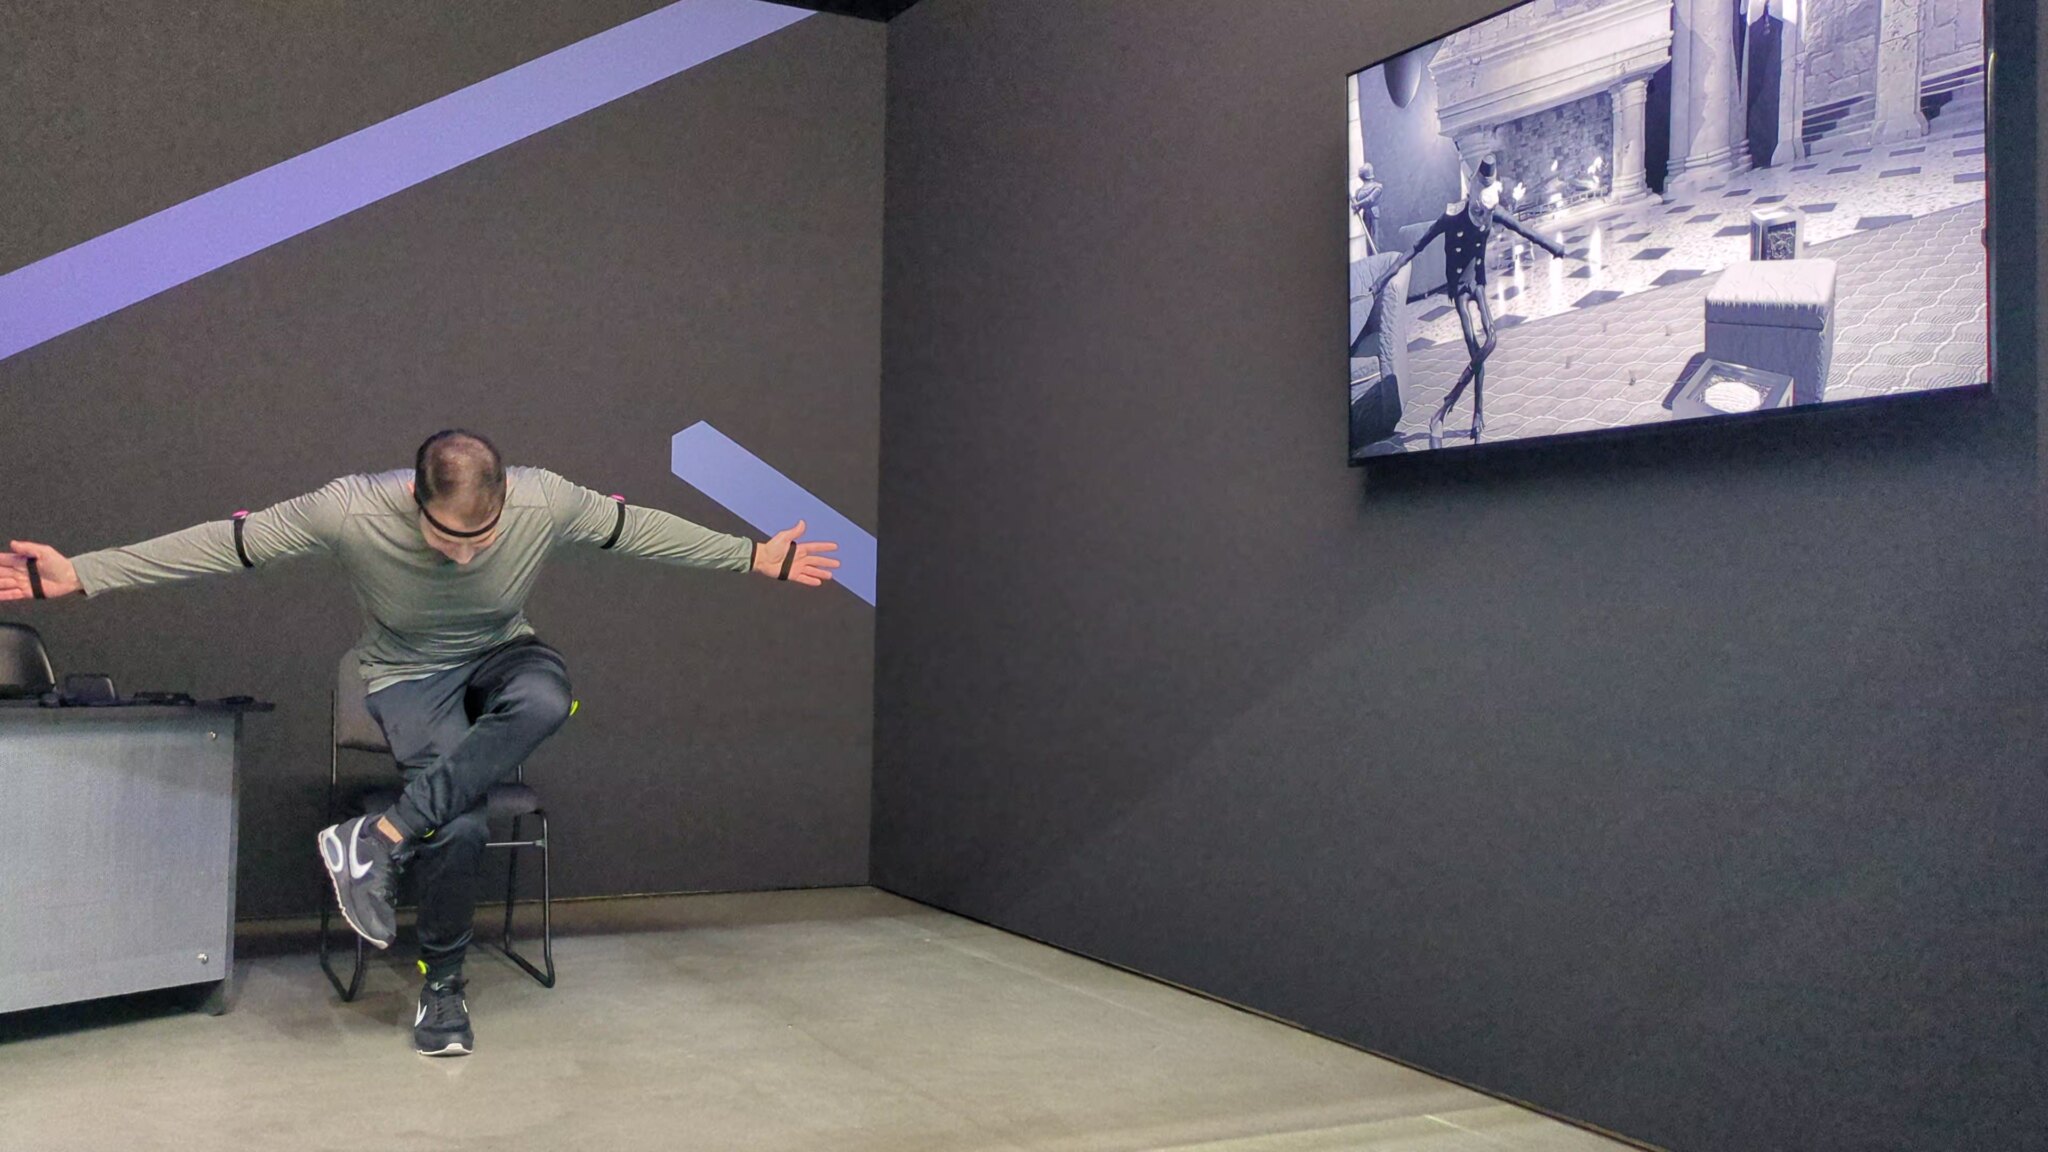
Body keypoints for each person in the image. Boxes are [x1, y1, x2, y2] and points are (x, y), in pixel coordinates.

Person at [0, 430, 839, 1056]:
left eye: (483, 538)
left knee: (549, 697)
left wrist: (752, 557)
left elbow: (640, 528)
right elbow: (228, 544)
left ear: (506, 501)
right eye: (447, 537)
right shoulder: (348, 509)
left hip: (502, 655)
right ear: (414, 499)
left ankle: (380, 835)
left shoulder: (547, 499)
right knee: (460, 823)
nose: (465, 555)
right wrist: (88, 571)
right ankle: (444, 987)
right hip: (408, 677)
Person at [1374, 156, 1572, 448]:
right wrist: (1383, 277)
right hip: (1458, 285)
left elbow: (1523, 229)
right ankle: (1465, 412)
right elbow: (1416, 247)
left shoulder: (1491, 213)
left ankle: (1450, 407)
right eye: (1479, 210)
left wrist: (1553, 246)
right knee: (1474, 346)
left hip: (1477, 281)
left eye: (1487, 212)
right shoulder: (1451, 216)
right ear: (1472, 199)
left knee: (1491, 340)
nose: (1482, 217)